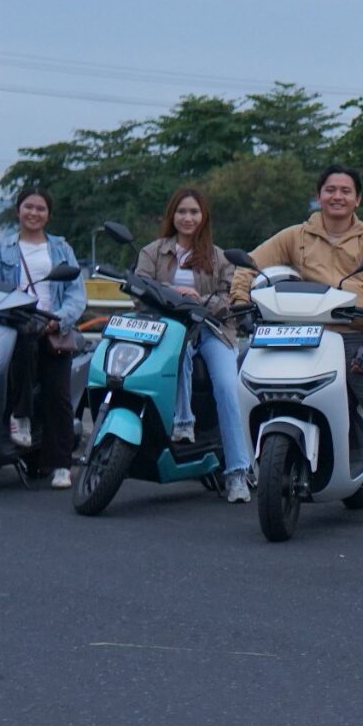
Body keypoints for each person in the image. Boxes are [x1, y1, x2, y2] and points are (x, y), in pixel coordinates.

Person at [232, 165, 363, 528]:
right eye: (330, 189)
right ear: (319, 195)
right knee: (244, 371)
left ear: (357, 199)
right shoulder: (296, 236)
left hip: (353, 336)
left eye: (345, 191)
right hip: (300, 331)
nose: (337, 196)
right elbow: (250, 264)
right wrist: (240, 301)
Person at [137, 187, 252, 502]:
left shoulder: (220, 257)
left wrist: (200, 300)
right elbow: (139, 289)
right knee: (180, 350)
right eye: (182, 211)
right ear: (172, 215)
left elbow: (230, 298)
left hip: (213, 330)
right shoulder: (152, 252)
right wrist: (172, 294)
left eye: (194, 212)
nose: (187, 218)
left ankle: (238, 473)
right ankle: (183, 422)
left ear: (204, 217)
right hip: (169, 330)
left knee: (227, 389)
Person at [0, 188, 85, 488]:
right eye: (29, 207)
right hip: (13, 326)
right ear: (18, 210)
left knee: (59, 396)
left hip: (53, 328)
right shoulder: (1, 249)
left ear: (48, 215)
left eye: (41, 208)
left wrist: (59, 320)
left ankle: (61, 465)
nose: (34, 213)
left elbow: (76, 294)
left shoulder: (61, 248)